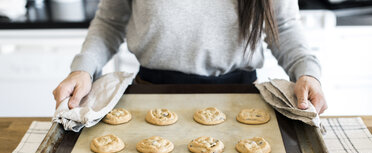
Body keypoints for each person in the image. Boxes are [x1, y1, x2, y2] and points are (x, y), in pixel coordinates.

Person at [53, 0, 327, 114]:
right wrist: (83, 70)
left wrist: (307, 72)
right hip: (149, 96)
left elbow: (285, 27)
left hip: (241, 100)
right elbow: (109, 23)